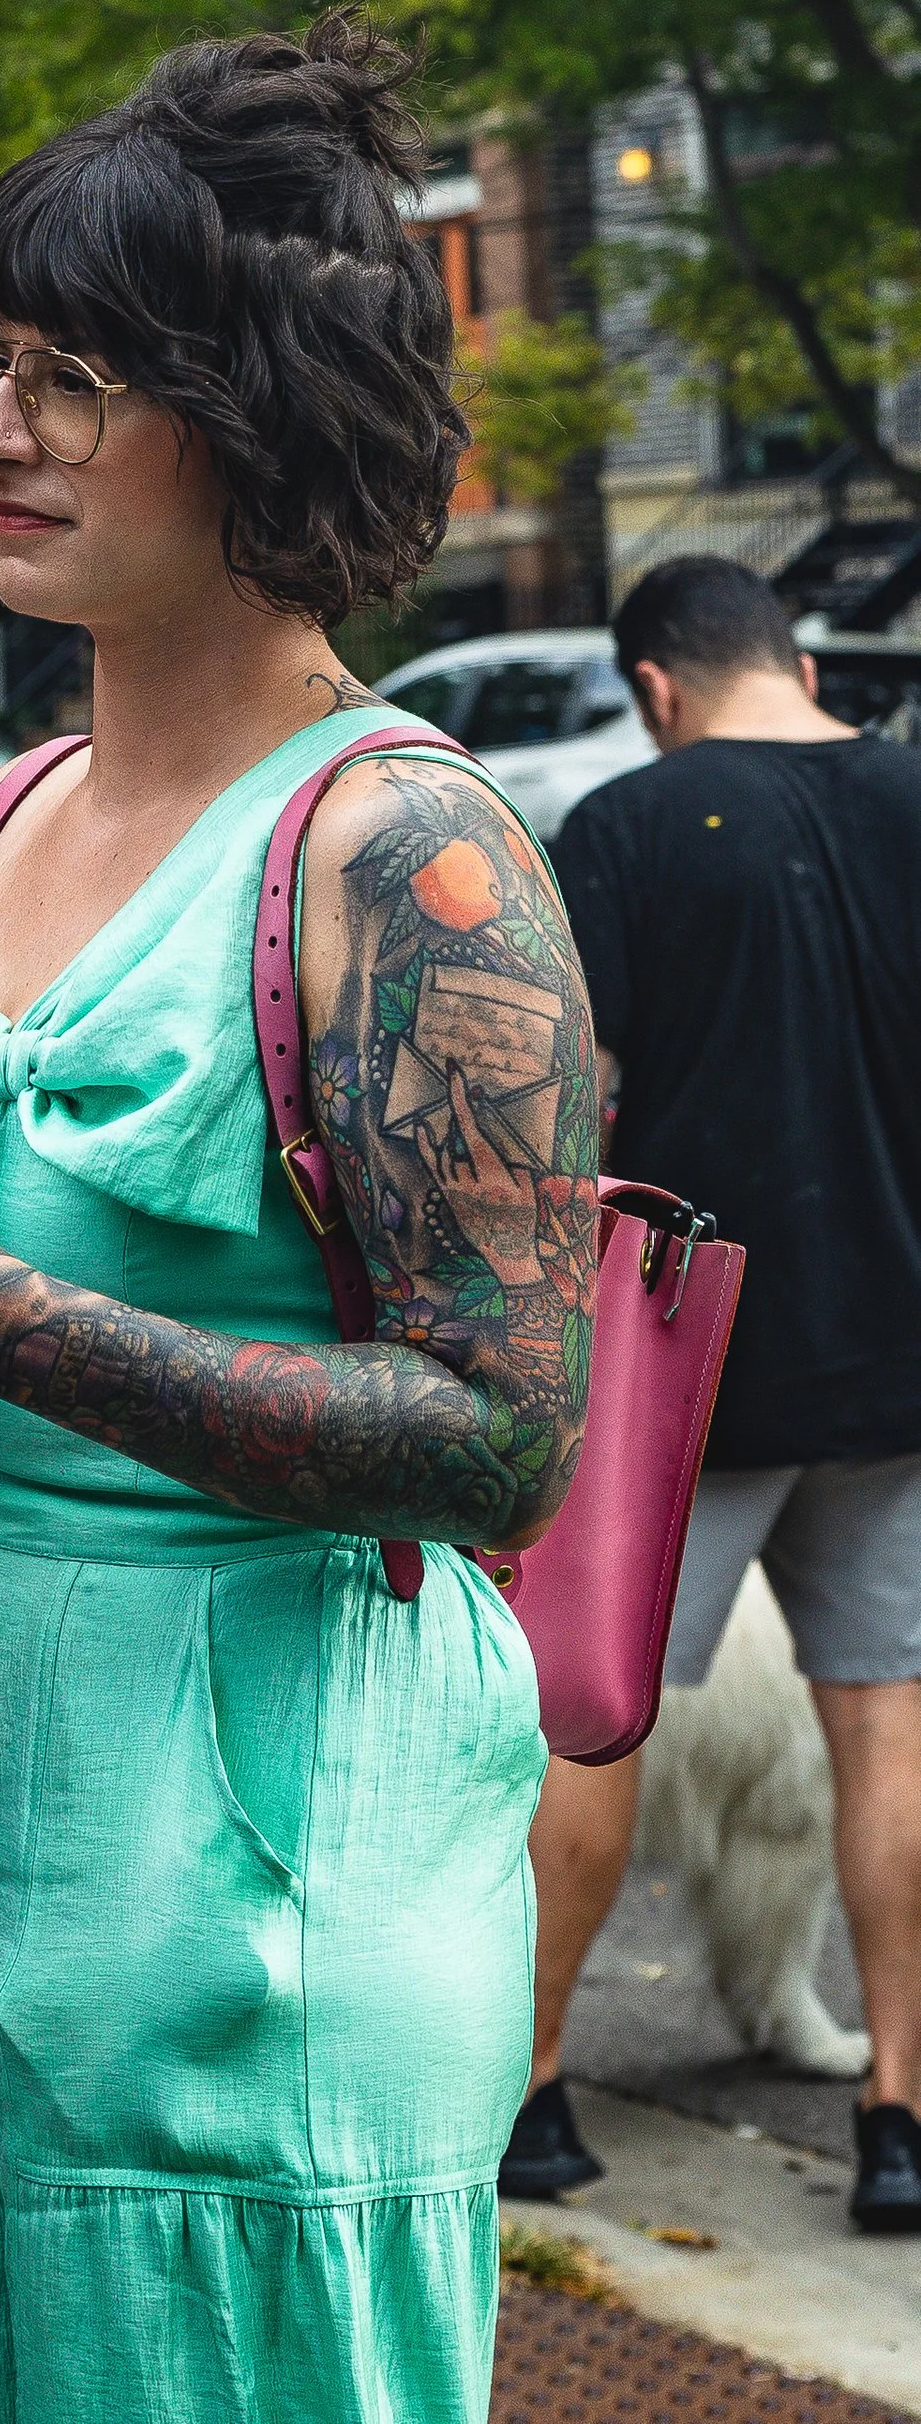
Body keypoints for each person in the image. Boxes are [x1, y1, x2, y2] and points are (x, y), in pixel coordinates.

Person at [0, 15, 597, 2424]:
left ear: (255, 407)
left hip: (254, 1879)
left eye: (75, 372)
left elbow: (499, 1440)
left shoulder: (409, 846)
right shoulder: (30, 791)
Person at [510, 553, 921, 2234]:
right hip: (898, 1349)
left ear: (652, 688)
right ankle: (902, 2117)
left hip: (689, 1358)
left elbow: (566, 1099)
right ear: (801, 660)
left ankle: (526, 2093)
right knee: (887, 1727)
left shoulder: (621, 828)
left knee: (593, 1716)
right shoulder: (913, 794)